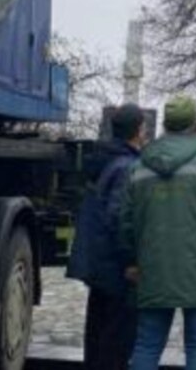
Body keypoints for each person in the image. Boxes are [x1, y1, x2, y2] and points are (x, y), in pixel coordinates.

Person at [120, 95, 196, 370]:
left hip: (153, 269)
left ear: (165, 125)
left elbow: (126, 221)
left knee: (146, 345)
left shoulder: (139, 167)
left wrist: (131, 261)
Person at [66, 103, 147, 370]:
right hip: (116, 270)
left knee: (97, 336)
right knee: (116, 343)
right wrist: (130, 262)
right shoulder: (128, 167)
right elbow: (119, 218)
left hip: (98, 264)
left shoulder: (105, 160)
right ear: (138, 130)